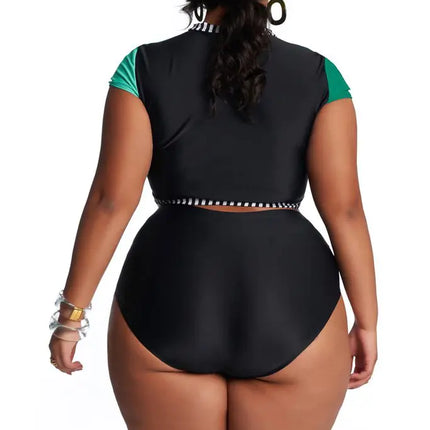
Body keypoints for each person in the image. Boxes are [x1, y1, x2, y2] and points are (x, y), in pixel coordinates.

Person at [48, 0, 378, 428]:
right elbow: (345, 210)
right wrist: (367, 320)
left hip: (168, 295)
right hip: (294, 301)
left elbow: (110, 202)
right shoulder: (320, 76)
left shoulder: (143, 67)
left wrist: (71, 318)